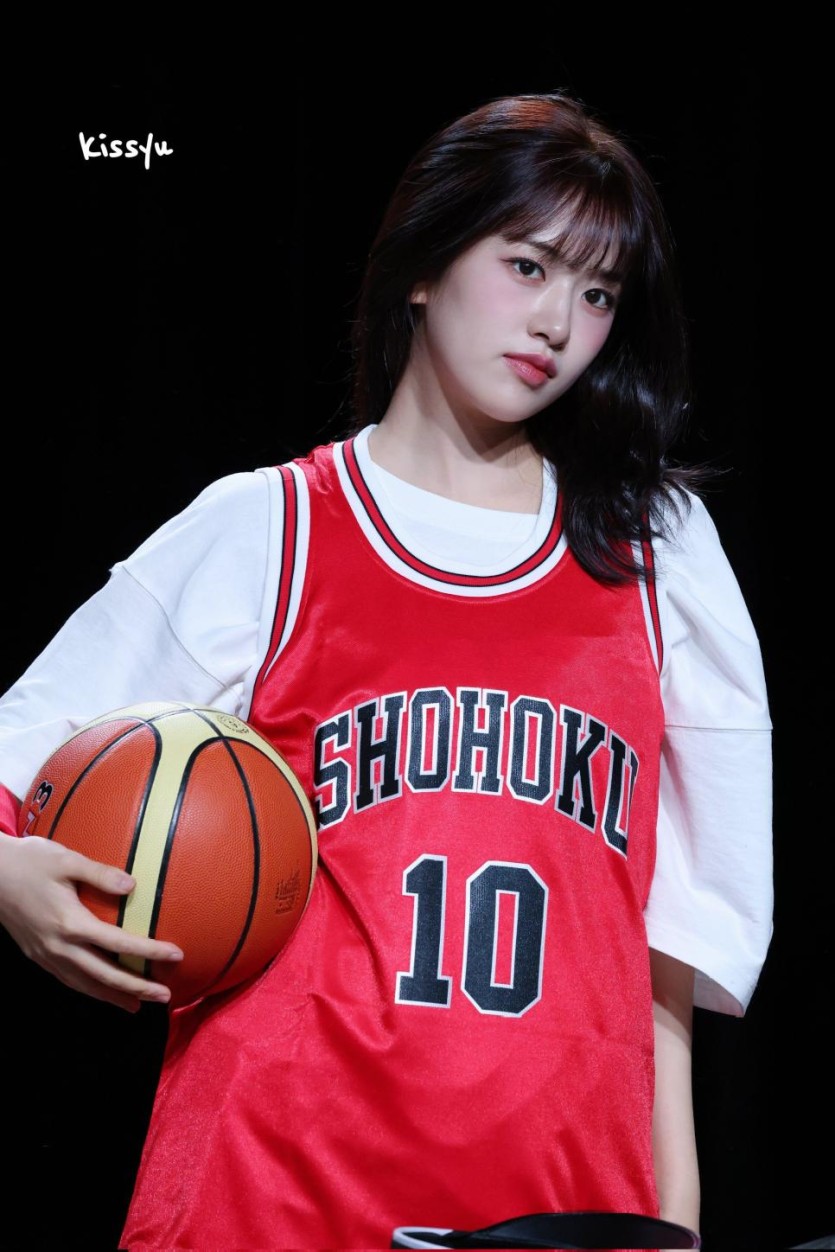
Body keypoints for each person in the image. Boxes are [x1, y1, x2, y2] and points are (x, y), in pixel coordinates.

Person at [0, 91, 772, 1250]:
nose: (557, 322)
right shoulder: (269, 527)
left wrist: (676, 1221)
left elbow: (673, 951)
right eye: (527, 265)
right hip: (270, 1193)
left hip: (557, 1201)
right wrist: (10, 875)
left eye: (598, 292)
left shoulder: (655, 551)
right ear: (424, 263)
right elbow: (20, 751)